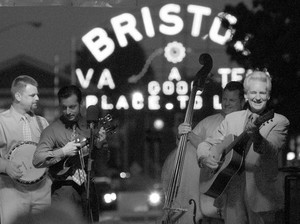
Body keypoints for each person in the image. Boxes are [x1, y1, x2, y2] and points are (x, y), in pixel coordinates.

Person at [197, 71, 289, 224]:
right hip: (231, 196)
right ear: (247, 95)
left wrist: (257, 136)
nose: (257, 97)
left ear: (268, 95)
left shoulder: (279, 121)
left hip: (262, 197)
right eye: (253, 92)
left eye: (262, 92)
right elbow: (208, 144)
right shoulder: (231, 119)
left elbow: (271, 151)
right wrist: (204, 157)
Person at [161, 81, 245, 223]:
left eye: (232, 100)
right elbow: (183, 147)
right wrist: (181, 134)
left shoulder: (246, 124)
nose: (227, 103)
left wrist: (192, 136)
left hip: (235, 191)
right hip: (203, 192)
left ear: (242, 102)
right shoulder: (209, 121)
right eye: (224, 99)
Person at [33, 85, 109, 222]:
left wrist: (100, 145)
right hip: (64, 190)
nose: (68, 111)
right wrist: (62, 151)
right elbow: (37, 160)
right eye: (64, 107)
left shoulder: (92, 127)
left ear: (81, 104)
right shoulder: (52, 130)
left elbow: (104, 163)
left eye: (72, 107)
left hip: (88, 188)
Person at [0, 75, 51, 224]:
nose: (37, 98)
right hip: (11, 190)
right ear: (18, 96)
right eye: (32, 95)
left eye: (37, 95)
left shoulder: (42, 122)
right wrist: (5, 165)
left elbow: (51, 152)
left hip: (42, 190)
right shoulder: (2, 122)